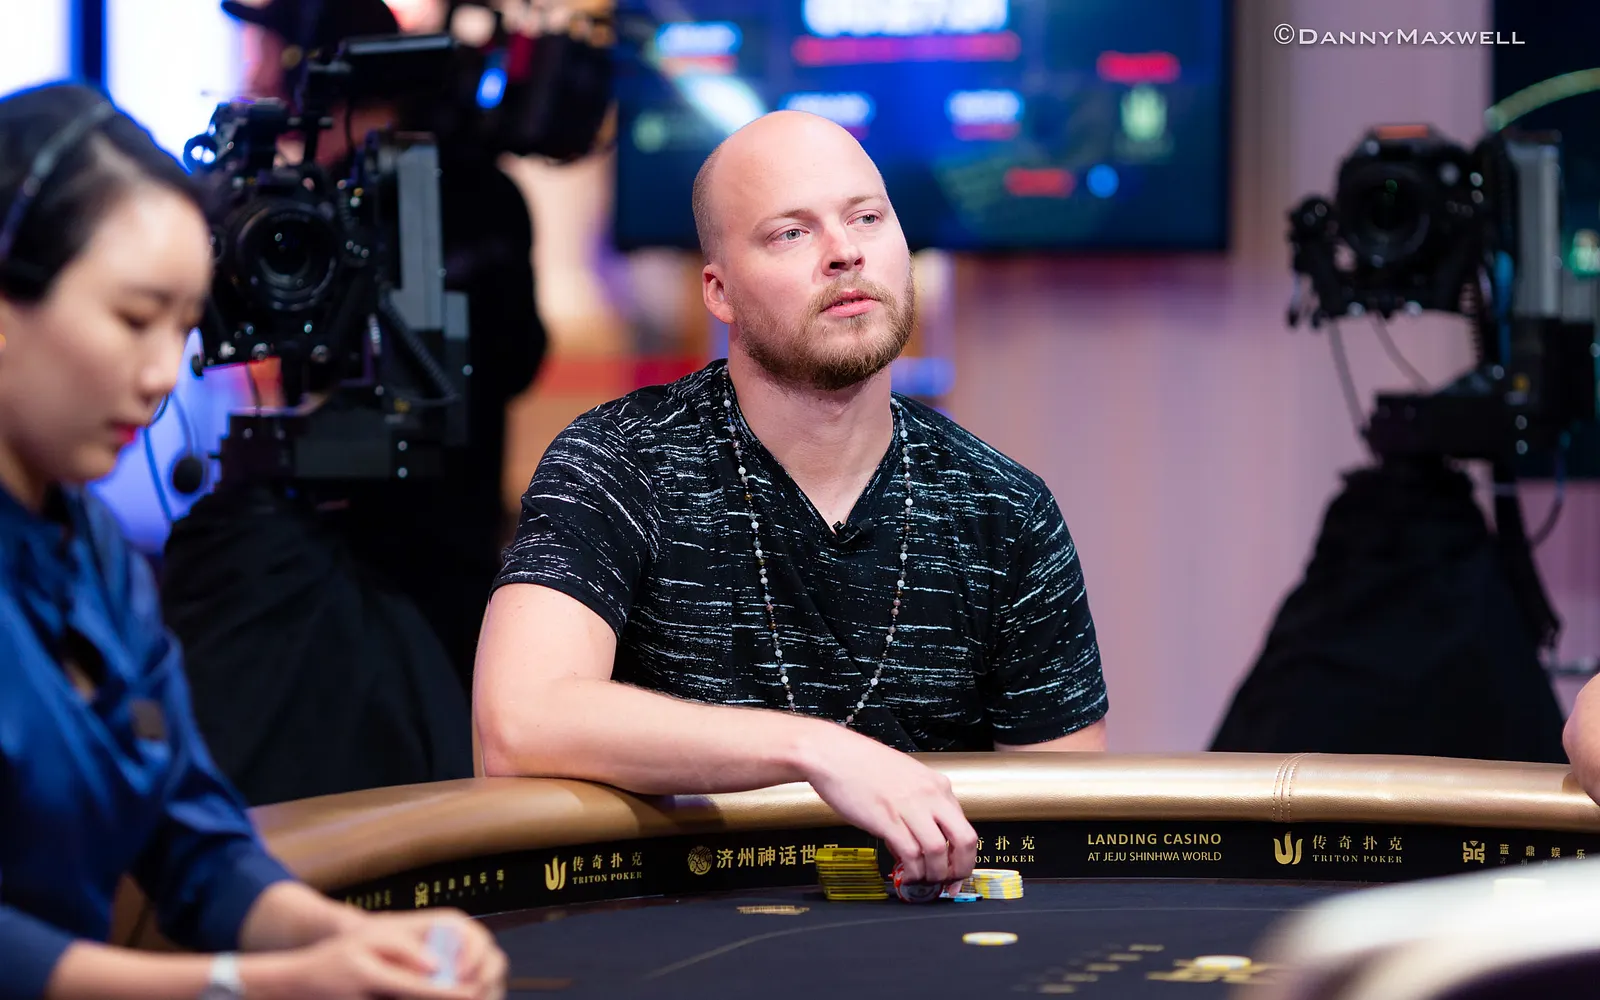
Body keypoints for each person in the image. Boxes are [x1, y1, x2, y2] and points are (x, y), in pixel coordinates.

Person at [473, 110, 1109, 893]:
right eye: (791, 233)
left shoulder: (1005, 510)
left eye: (866, 218)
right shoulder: (618, 462)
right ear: (720, 291)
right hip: (672, 934)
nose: (845, 252)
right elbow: (519, 722)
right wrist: (815, 750)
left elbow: (1066, 831)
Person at [0, 82, 506, 1000]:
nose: (161, 374)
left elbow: (191, 838)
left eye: (183, 328)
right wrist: (256, 984)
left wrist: (354, 939)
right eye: (132, 319)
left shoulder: (91, 551)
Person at [158, 0, 549, 805]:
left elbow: (507, 358)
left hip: (396, 558)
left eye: (264, 51)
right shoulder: (481, 194)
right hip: (421, 551)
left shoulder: (334, 205)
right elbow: (522, 359)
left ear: (311, 67)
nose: (253, 73)